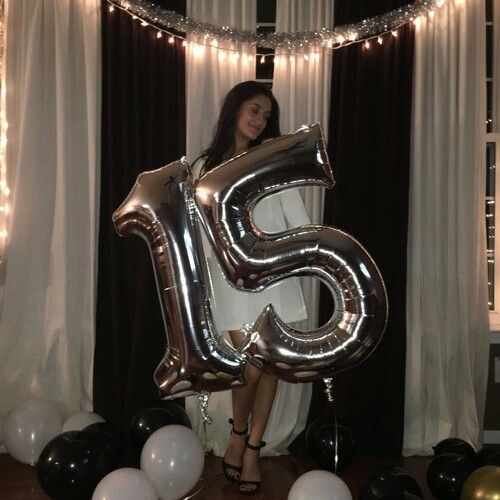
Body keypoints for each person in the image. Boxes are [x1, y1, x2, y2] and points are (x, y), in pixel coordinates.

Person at [192, 81, 309, 494]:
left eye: (266, 114)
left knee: (270, 363)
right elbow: (198, 231)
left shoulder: (273, 158)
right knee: (250, 365)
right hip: (230, 280)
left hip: (274, 273)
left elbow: (296, 215)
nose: (260, 120)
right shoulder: (205, 166)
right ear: (236, 110)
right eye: (254, 110)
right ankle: (238, 431)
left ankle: (252, 447)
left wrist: (301, 255)